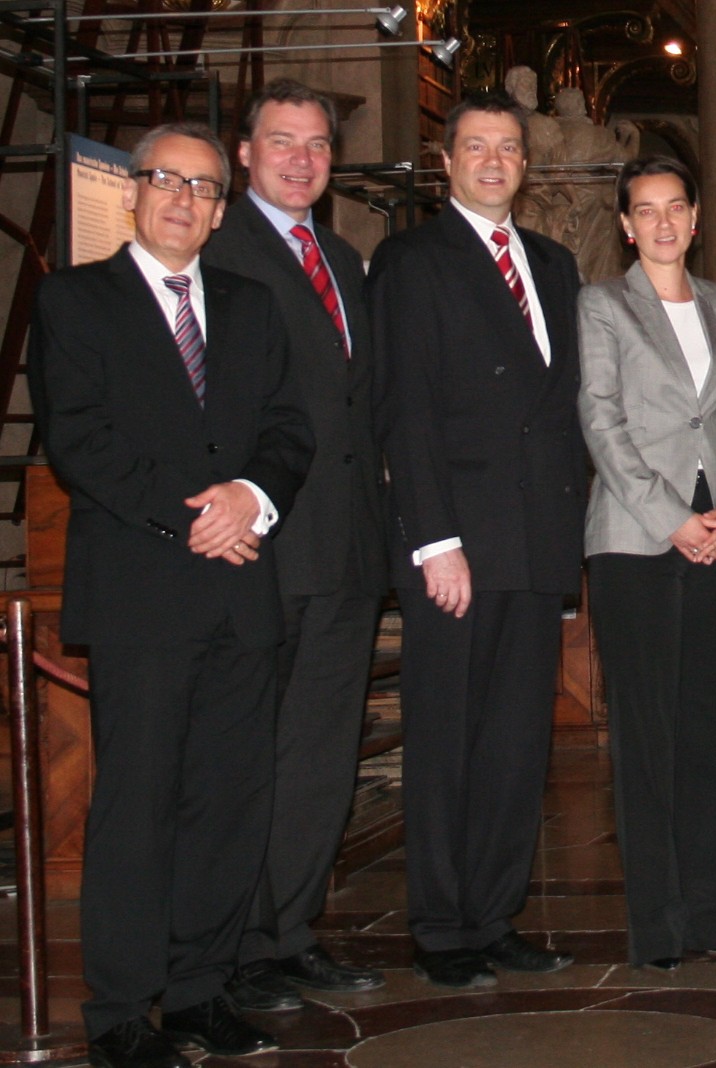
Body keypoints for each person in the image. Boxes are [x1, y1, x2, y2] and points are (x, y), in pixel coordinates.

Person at [29, 122, 313, 1068]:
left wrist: (253, 499)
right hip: (143, 596)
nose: (184, 200)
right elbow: (80, 438)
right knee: (137, 806)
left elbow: (288, 427)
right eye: (166, 181)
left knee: (228, 804)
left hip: (242, 595)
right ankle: (119, 1008)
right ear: (134, 192)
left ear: (221, 208)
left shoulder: (252, 304)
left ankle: (198, 990)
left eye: (202, 187)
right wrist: (193, 516)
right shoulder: (76, 301)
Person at [368, 90, 587, 989]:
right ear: (445, 162)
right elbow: (404, 412)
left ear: (525, 165)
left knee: (514, 743)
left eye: (508, 148)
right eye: (475, 147)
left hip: (537, 539)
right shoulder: (411, 260)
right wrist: (434, 542)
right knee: (449, 738)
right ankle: (441, 926)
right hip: (457, 546)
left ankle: (493, 915)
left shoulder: (555, 261)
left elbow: (565, 405)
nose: (493, 161)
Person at [202, 79, 388, 1012]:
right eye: (282, 142)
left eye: (317, 144)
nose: (302, 159)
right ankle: (230, 943)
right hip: (262, 548)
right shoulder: (217, 251)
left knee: (320, 754)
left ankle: (289, 930)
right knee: (247, 757)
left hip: (349, 548)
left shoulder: (344, 260)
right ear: (244, 153)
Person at [578, 155, 716, 971]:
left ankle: (712, 911)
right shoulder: (603, 304)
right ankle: (657, 921)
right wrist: (674, 519)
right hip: (635, 541)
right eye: (644, 210)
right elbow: (601, 421)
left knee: (710, 731)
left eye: (675, 207)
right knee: (647, 735)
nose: (661, 223)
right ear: (626, 226)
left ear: (696, 219)